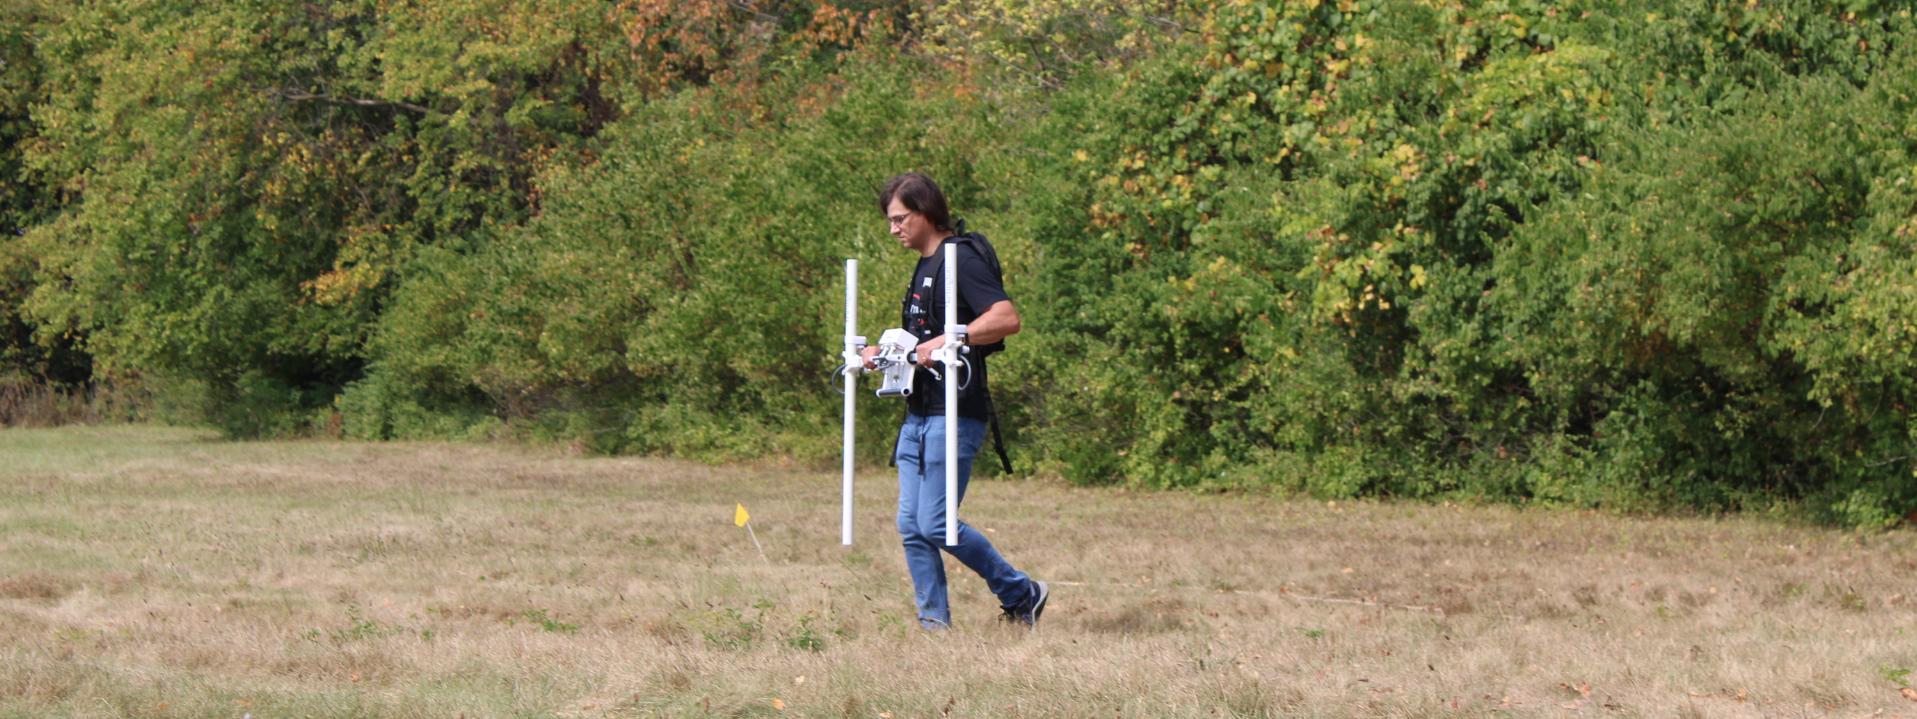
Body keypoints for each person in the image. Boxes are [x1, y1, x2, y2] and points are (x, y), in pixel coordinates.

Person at [860, 172, 1049, 631]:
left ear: (926, 213)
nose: (893, 228)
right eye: (890, 220)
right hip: (918, 413)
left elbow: (1006, 318)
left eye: (900, 219)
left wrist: (952, 338)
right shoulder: (924, 265)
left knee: (936, 523)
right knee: (912, 526)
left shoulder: (960, 258)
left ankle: (1021, 592)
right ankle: (934, 627)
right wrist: (883, 353)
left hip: (956, 412)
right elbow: (920, 341)